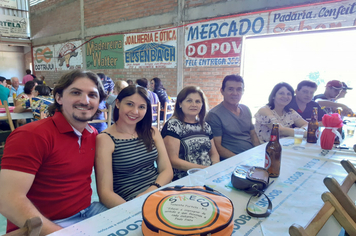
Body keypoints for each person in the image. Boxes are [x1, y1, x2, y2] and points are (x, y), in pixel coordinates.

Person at [0, 69, 108, 235]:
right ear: (58, 98)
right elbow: (7, 200)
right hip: (40, 225)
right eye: (76, 92)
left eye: (92, 95)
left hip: (87, 212)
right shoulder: (31, 135)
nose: (85, 100)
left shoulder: (93, 133)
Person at [95, 85, 173, 208]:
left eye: (141, 107)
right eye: (130, 104)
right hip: (130, 203)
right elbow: (105, 193)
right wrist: (134, 208)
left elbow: (167, 170)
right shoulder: (105, 139)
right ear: (118, 103)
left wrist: (151, 191)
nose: (135, 112)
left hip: (160, 192)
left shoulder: (152, 132)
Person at [161, 86, 219, 180]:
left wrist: (215, 166)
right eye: (189, 101)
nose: (194, 104)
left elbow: (214, 154)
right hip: (185, 178)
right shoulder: (173, 125)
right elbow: (173, 160)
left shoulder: (205, 125)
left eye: (198, 101)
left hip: (208, 175)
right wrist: (205, 170)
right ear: (180, 103)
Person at [206, 75, 260, 159]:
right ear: (222, 91)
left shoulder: (246, 109)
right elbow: (217, 147)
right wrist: (239, 160)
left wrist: (259, 153)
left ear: (243, 91)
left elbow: (253, 135)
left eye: (239, 89)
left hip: (250, 156)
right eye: (230, 89)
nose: (235, 93)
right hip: (231, 160)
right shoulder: (214, 115)